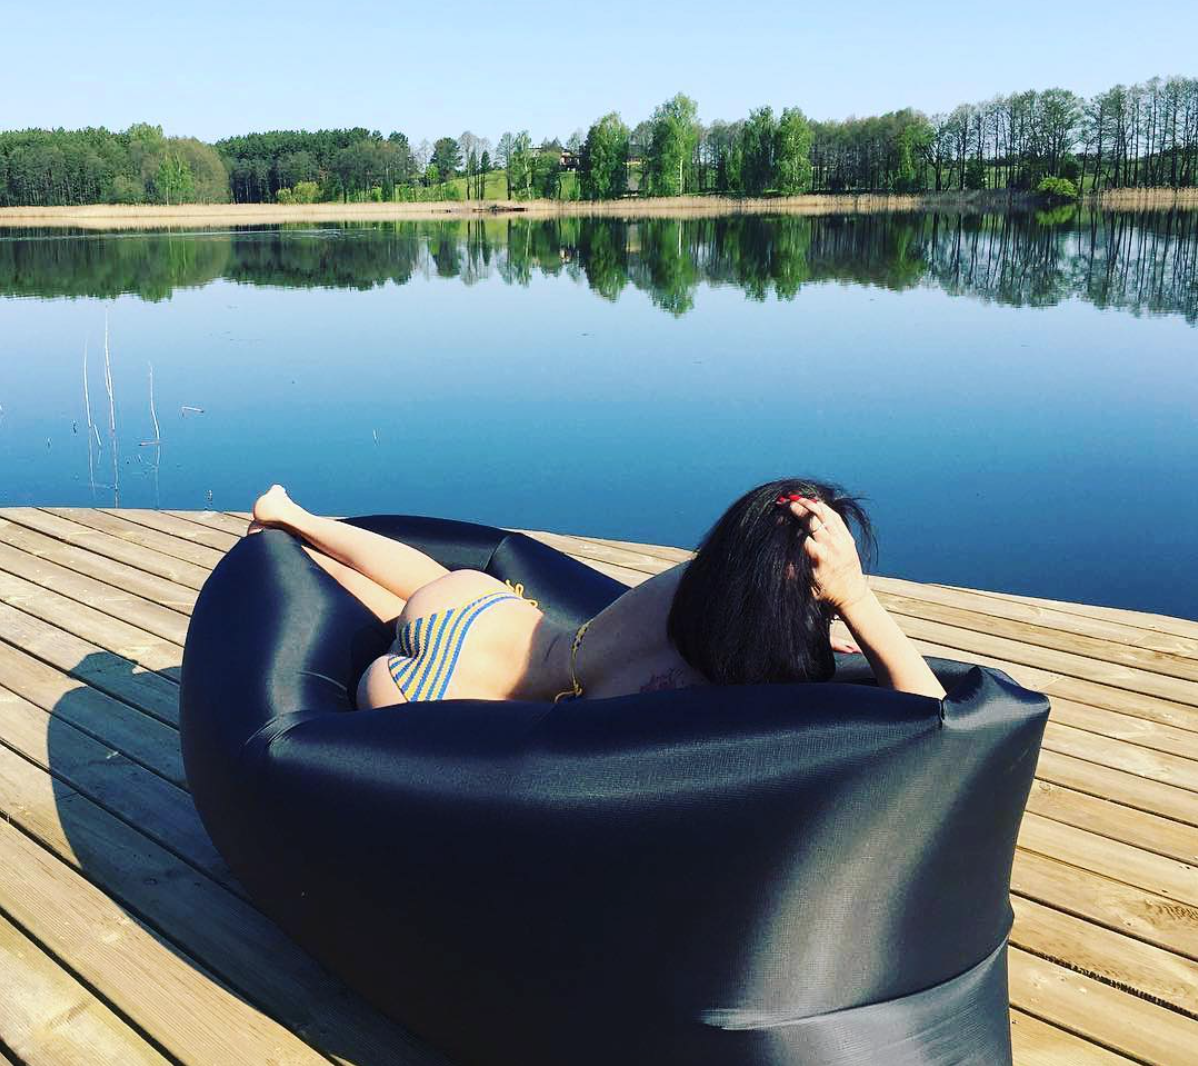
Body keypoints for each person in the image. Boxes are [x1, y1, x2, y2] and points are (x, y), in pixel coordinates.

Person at [248, 480, 946, 710]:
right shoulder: (729, 685)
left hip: (477, 609)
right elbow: (928, 715)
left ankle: (291, 524)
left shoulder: (700, 583)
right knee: (388, 620)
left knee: (419, 597)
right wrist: (855, 600)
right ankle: (289, 552)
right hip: (435, 695)